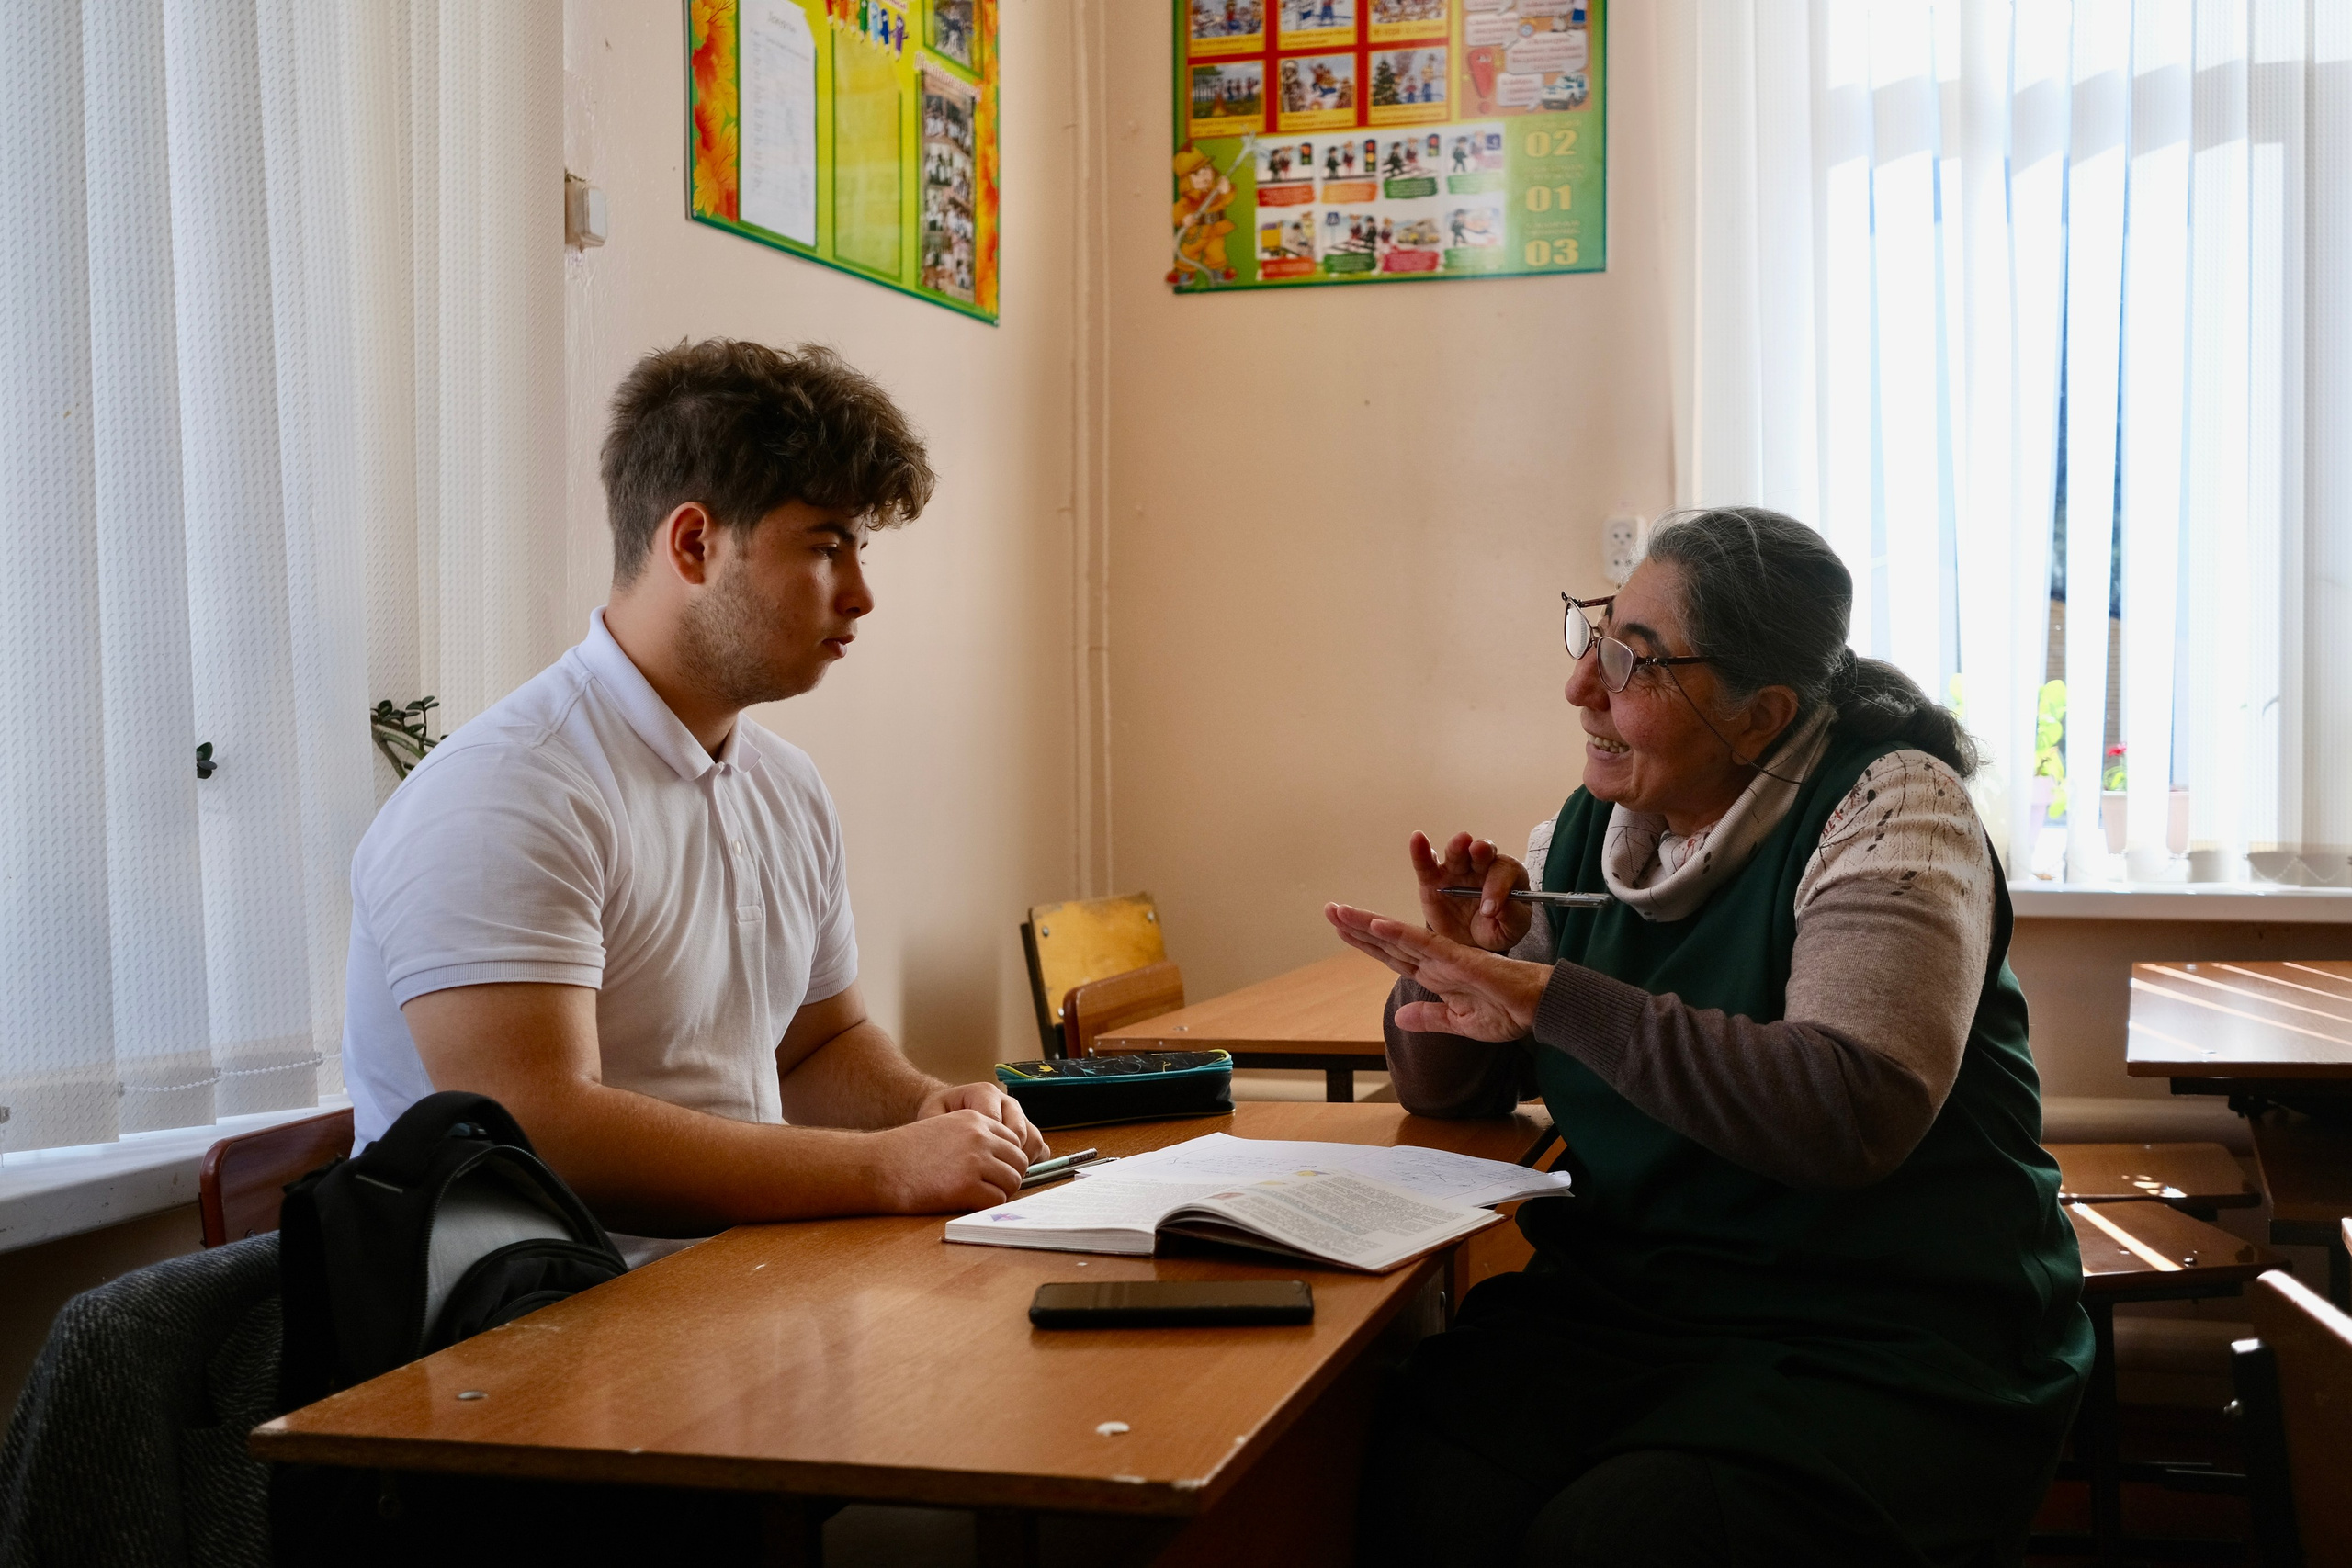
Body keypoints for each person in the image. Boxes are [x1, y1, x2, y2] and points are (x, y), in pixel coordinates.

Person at [1327, 508, 2089, 1566]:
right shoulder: (1599, 825)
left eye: (1633, 662)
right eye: (1597, 634)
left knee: (1622, 1542)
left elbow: (1845, 1108)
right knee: (1427, 1480)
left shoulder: (1892, 810)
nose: (1580, 688)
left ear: (1760, 714)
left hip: (1889, 1329)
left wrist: (1548, 996)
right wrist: (1452, 972)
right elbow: (1449, 1097)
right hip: (1642, 1308)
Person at [342, 340, 1048, 1262]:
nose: (862, 595)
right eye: (827, 547)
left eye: (859, 549)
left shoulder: (782, 784)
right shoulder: (507, 794)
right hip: (530, 1341)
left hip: (739, 1291)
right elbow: (538, 1128)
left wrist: (918, 1108)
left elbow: (815, 1047)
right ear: (692, 544)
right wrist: (883, 1167)